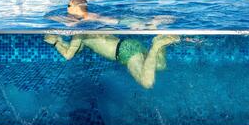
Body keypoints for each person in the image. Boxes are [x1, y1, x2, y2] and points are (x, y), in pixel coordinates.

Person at [44, 33, 179, 89]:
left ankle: (155, 47)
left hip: (124, 51)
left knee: (147, 82)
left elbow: (68, 55)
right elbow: (76, 49)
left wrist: (55, 43)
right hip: (129, 44)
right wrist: (61, 41)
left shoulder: (78, 32)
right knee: (160, 65)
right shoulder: (87, 28)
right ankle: (158, 41)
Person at [48, 0, 175, 29]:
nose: (67, 7)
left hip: (119, 22)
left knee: (145, 26)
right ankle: (153, 21)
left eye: (68, 5)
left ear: (75, 7)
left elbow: (70, 25)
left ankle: (153, 22)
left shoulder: (80, 17)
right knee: (143, 23)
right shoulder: (88, 14)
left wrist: (54, 18)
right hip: (119, 19)